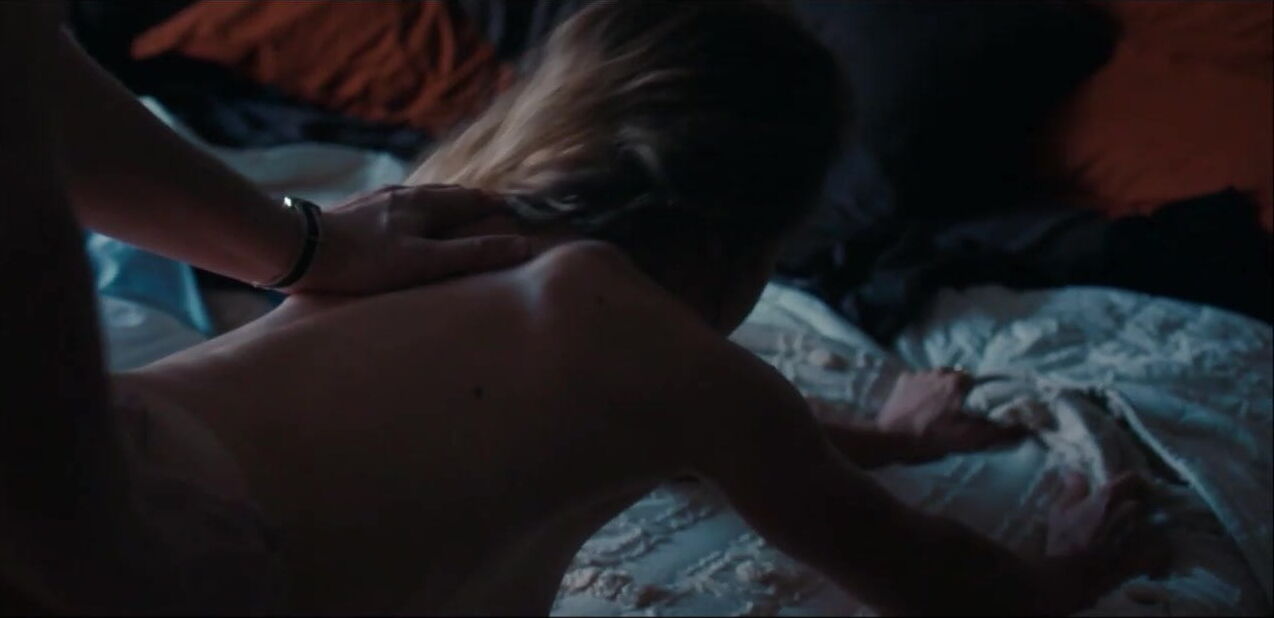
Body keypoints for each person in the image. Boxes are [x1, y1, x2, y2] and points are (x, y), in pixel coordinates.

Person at [0, 1, 1164, 614]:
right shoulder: (655, 357)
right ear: (735, 252)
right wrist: (1062, 575)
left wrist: (888, 438)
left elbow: (675, 430)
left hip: (98, 464)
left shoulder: (412, 249)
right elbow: (921, 572)